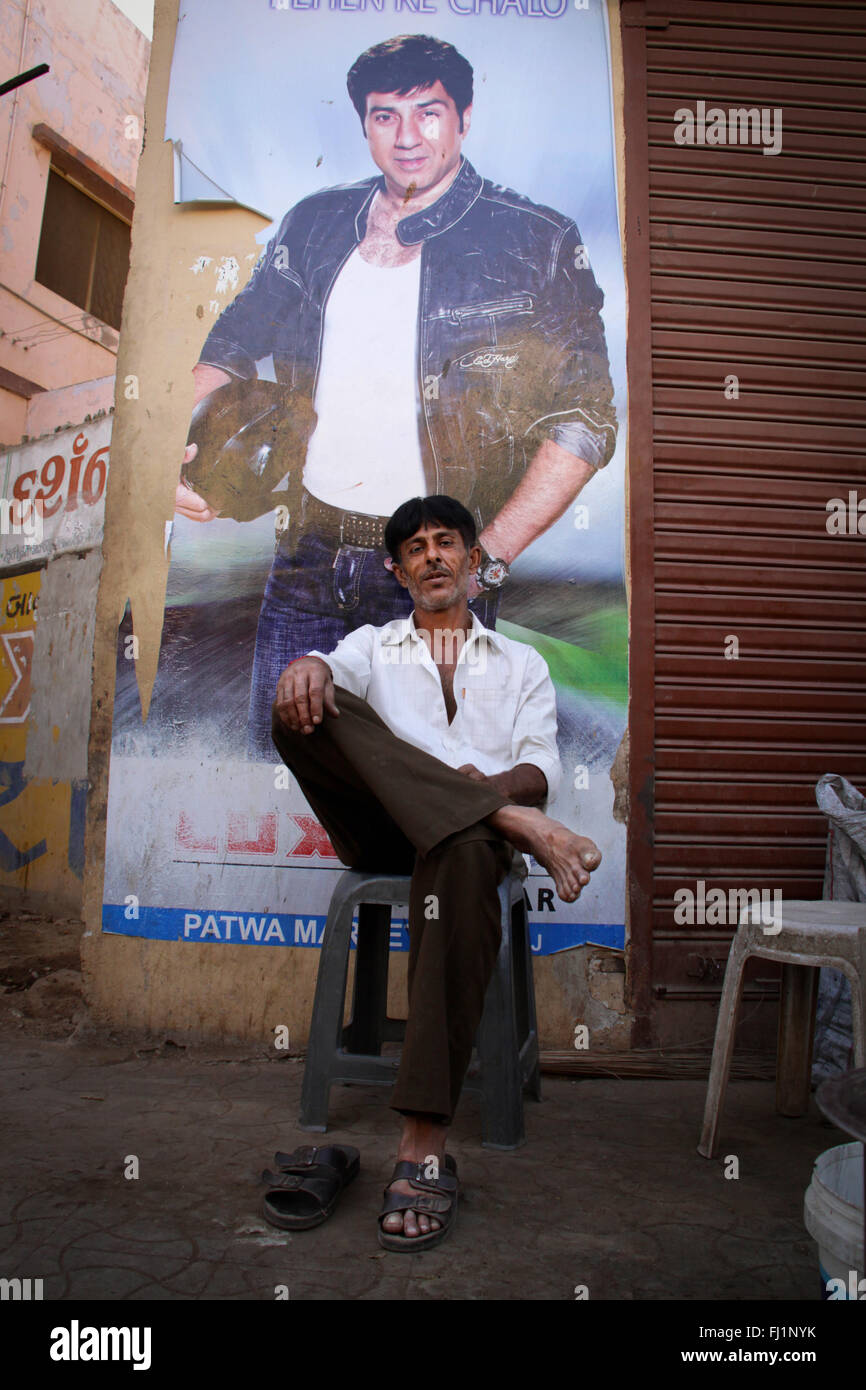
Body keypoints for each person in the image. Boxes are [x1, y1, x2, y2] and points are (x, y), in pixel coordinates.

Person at [175, 33, 618, 758]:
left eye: (428, 113)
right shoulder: (317, 222)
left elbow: (586, 418)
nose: (407, 137)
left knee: (426, 780)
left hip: (430, 571)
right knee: (280, 763)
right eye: (386, 116)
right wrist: (178, 437)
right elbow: (240, 331)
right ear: (363, 124)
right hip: (307, 557)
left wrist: (489, 559)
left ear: (465, 117)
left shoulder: (535, 240)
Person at [269, 494, 602, 1249]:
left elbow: (538, 765)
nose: (432, 557)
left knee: (460, 847)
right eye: (414, 548)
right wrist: (308, 665)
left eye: (446, 543)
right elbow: (324, 679)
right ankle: (510, 826)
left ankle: (422, 1143)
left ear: (475, 562)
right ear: (397, 570)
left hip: (459, 855)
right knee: (307, 705)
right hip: (382, 834)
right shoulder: (372, 644)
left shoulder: (522, 662)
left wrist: (473, 802)